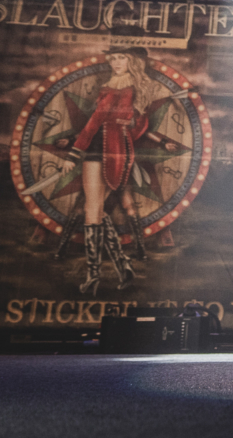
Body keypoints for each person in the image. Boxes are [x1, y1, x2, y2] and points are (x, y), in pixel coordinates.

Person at [63, 47, 154, 295]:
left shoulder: (119, 88)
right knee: (97, 209)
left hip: (100, 147)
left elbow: (96, 120)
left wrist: (74, 152)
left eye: (122, 57)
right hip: (119, 148)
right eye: (113, 58)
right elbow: (139, 126)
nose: (116, 62)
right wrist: (124, 128)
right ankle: (123, 267)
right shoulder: (128, 86)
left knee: (92, 211)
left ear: (132, 60)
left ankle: (94, 276)